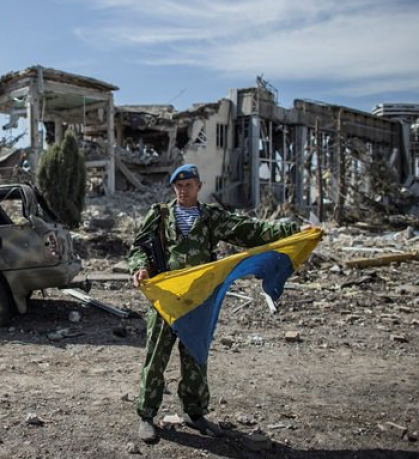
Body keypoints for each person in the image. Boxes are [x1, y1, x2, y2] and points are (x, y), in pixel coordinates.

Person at [128, 163, 301, 443]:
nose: (183, 190)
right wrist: (140, 268)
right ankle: (146, 416)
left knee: (195, 357)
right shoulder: (159, 215)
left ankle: (194, 413)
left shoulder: (211, 217)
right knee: (156, 357)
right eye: (178, 186)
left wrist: (294, 230)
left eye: (188, 185)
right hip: (166, 298)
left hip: (199, 300)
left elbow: (250, 230)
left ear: (199, 186)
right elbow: (139, 247)